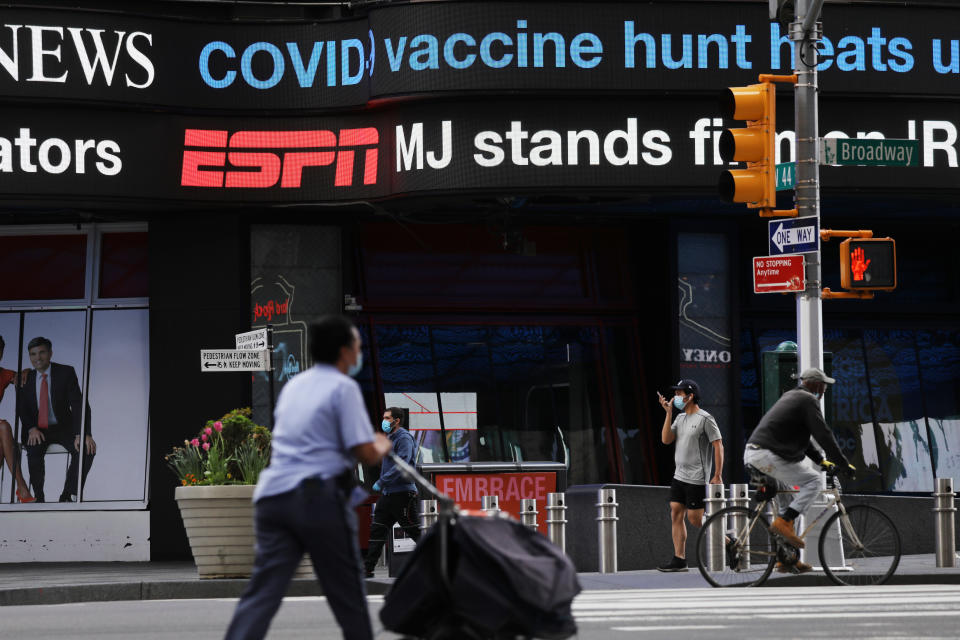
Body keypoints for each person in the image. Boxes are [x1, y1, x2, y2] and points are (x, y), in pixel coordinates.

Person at [224, 316, 392, 640]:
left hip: (273, 498)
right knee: (347, 594)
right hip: (317, 500)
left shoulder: (294, 386)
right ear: (344, 351)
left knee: (263, 592)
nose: (360, 352)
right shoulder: (343, 388)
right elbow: (366, 452)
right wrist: (383, 442)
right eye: (358, 345)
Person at [744, 367, 854, 573]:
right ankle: (783, 523)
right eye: (824, 386)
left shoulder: (792, 397)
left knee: (791, 502)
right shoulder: (807, 400)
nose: (825, 390)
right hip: (766, 456)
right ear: (816, 385)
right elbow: (823, 434)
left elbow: (805, 439)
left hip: (757, 454)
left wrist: (822, 461)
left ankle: (787, 559)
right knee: (813, 482)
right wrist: (843, 463)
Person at [656, 378, 724, 572]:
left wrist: (717, 474)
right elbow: (666, 439)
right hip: (679, 476)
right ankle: (679, 559)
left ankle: (729, 542)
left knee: (695, 519)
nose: (676, 396)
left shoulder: (705, 418)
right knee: (675, 512)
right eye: (676, 393)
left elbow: (718, 445)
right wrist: (669, 413)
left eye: (679, 393)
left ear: (690, 395)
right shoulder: (679, 418)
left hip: (697, 477)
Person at [18, 336, 95, 503]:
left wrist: (83, 433)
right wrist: (31, 428)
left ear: (50, 353)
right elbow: (22, 409)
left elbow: (79, 403)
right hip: (37, 429)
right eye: (33, 354)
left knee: (87, 449)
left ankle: (68, 494)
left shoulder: (66, 372)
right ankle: (38, 497)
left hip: (63, 427)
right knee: (34, 449)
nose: (37, 358)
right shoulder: (25, 378)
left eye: (42, 353)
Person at [363, 406, 421, 578]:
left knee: (414, 531)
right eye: (384, 418)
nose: (384, 421)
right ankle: (368, 569)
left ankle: (440, 562)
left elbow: (401, 464)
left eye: (388, 418)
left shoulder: (404, 438)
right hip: (388, 494)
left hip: (403, 494)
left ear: (397, 420)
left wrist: (382, 481)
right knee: (377, 530)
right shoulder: (389, 438)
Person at [0, 336, 34, 503]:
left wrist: (26, 370)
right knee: (4, 427)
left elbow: (19, 377)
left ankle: (22, 489)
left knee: (2, 443)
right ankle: (22, 487)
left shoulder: (4, 374)